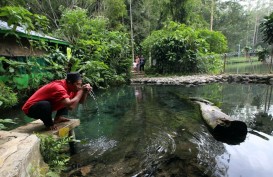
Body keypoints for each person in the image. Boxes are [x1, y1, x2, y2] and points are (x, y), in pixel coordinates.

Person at [22, 72, 92, 130]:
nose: (79, 86)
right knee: (46, 104)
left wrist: (84, 92)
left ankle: (58, 118)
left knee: (66, 99)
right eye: (77, 84)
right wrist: (81, 91)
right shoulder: (58, 87)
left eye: (80, 84)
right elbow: (71, 106)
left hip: (46, 106)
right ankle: (49, 124)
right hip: (30, 109)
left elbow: (80, 102)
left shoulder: (73, 87)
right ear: (69, 82)